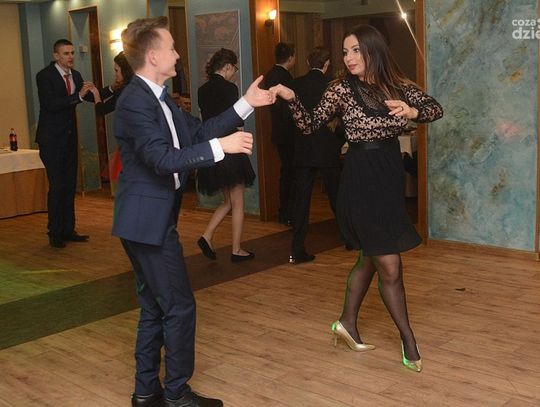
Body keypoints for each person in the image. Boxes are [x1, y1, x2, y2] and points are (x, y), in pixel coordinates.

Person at [113, 16, 274, 407]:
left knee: (154, 307)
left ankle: (146, 392)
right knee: (180, 307)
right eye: (171, 48)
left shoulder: (160, 98)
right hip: (146, 223)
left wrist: (246, 104)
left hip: (150, 220)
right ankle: (177, 395)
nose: (178, 54)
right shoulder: (134, 101)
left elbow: (198, 132)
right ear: (153, 56)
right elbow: (161, 158)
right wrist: (223, 148)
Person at [271, 24, 443, 372]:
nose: (348, 58)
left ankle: (347, 323)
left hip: (388, 179)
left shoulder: (398, 85)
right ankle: (408, 340)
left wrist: (412, 112)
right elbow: (309, 125)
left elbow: (434, 109)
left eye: (355, 51)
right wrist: (291, 98)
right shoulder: (340, 89)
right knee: (389, 264)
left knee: (369, 257)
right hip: (359, 181)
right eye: (345, 52)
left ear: (373, 50)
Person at [36, 39, 101, 248]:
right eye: (66, 53)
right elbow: (51, 104)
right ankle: (54, 232)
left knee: (70, 185)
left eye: (72, 53)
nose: (71, 57)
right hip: (51, 140)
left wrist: (112, 88)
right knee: (57, 186)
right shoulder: (45, 76)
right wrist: (77, 96)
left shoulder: (76, 75)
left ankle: (68, 229)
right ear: (56, 56)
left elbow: (86, 97)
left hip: (69, 139)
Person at [196, 48, 256, 263]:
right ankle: (236, 250)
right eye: (234, 69)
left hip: (213, 149)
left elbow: (205, 120)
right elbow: (237, 119)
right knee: (238, 203)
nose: (234, 74)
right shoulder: (230, 88)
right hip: (231, 150)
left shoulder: (202, 90)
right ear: (228, 66)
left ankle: (207, 236)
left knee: (228, 201)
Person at [289, 46, 344, 265]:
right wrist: (338, 141)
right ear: (327, 64)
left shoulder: (295, 84)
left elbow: (290, 117)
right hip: (327, 149)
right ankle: (349, 239)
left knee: (301, 201)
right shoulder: (332, 87)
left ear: (307, 62)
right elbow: (341, 119)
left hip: (303, 148)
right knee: (337, 196)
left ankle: (297, 248)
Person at [89, 51, 134, 195]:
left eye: (116, 70)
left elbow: (101, 110)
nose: (115, 74)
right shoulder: (137, 87)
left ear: (125, 70)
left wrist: (96, 94)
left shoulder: (124, 91)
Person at [263, 42, 296, 226]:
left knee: (286, 171)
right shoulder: (285, 77)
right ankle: (287, 212)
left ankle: (285, 211)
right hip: (288, 132)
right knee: (290, 173)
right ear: (290, 58)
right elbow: (288, 109)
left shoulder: (270, 75)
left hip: (277, 130)